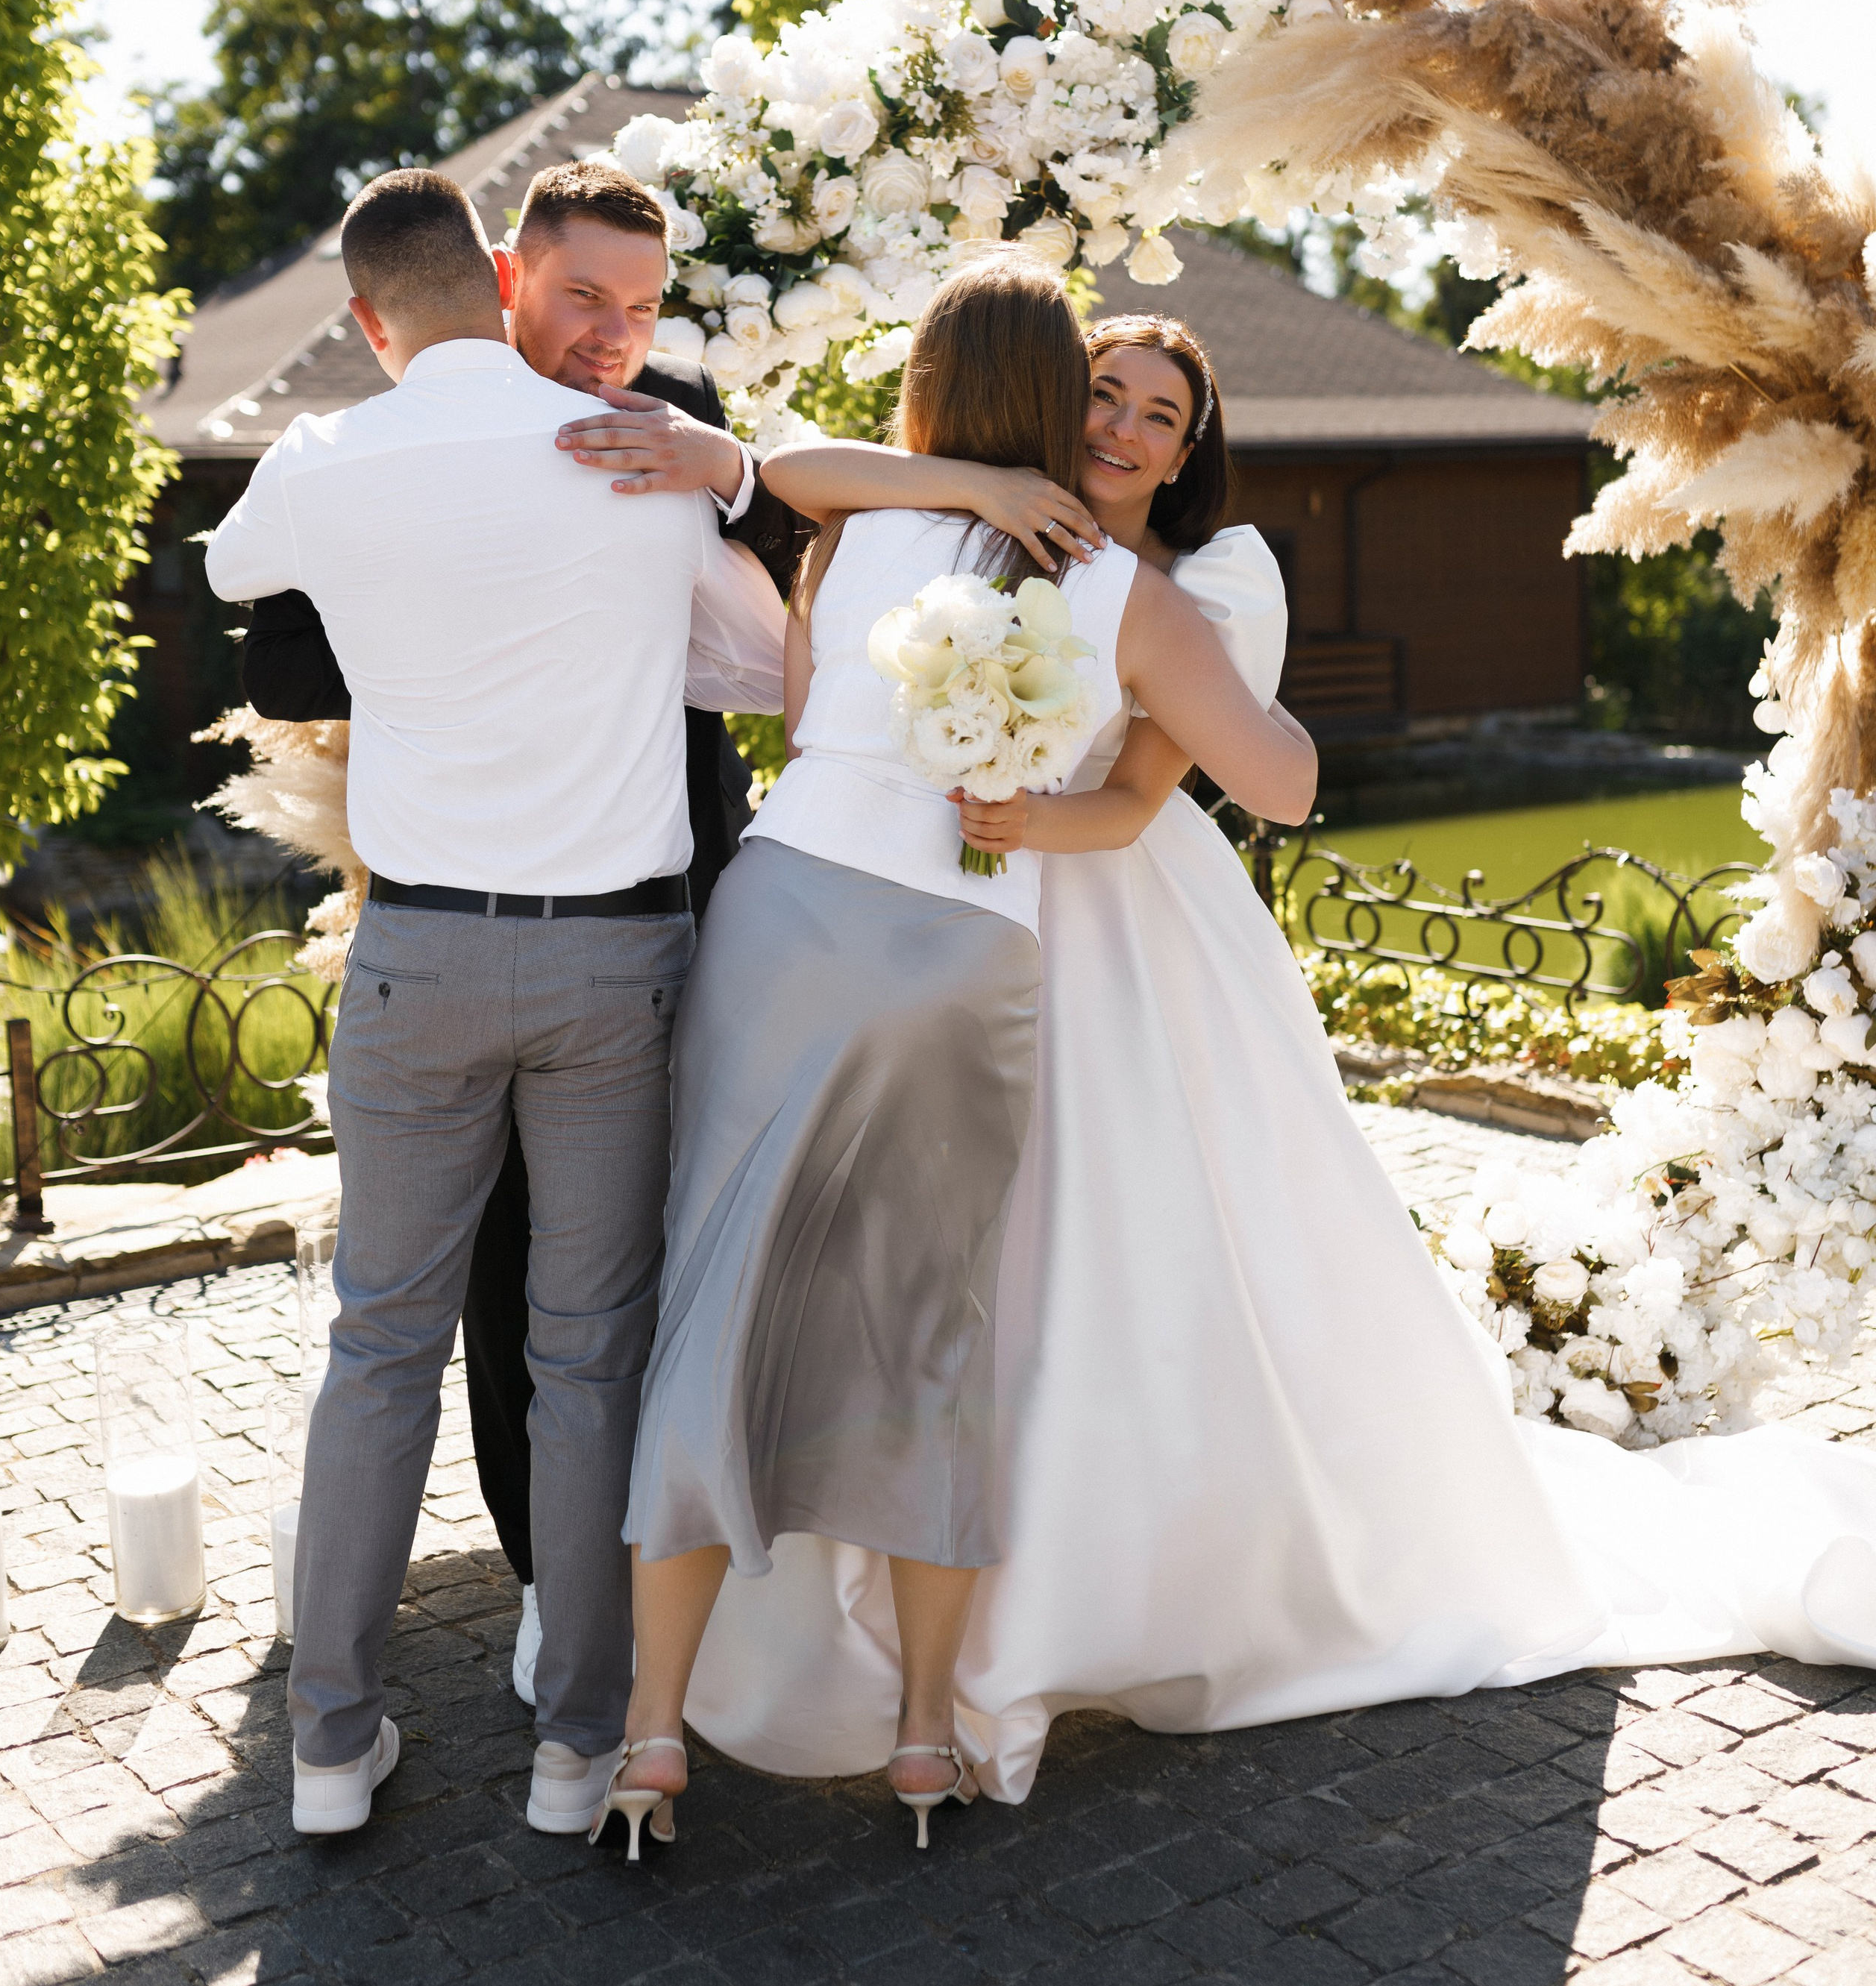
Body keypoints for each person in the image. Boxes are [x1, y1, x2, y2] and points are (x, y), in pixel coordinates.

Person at [675, 308, 1876, 1807]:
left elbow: (1181, 792)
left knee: (1099, 1247)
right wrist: (980, 508)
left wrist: (1034, 813)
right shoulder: (941, 521)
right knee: (932, 1264)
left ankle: (1085, 1591)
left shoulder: (1189, 588)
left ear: (1186, 453)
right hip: (931, 930)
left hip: (1109, 928)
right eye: (1098, 393)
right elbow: (794, 473)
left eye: (1154, 413)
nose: (1117, 426)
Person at [601, 258, 1318, 1855]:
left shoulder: (856, 526)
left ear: (934, 391)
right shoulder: (1129, 598)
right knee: (931, 1341)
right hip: (963, 952)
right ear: (1059, 400)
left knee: (712, 1310)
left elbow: (793, 688)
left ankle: (652, 1732)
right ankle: (924, 1739)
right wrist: (1191, 699)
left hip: (780, 922)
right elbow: (1283, 785)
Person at [205, 167, 784, 1837]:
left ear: (378, 318)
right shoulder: (641, 461)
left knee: (376, 1345)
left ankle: (329, 1746)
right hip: (618, 960)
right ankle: (576, 1750)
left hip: (420, 957)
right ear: (505, 276)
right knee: (586, 1358)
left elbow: (248, 587)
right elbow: (758, 664)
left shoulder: (328, 454)